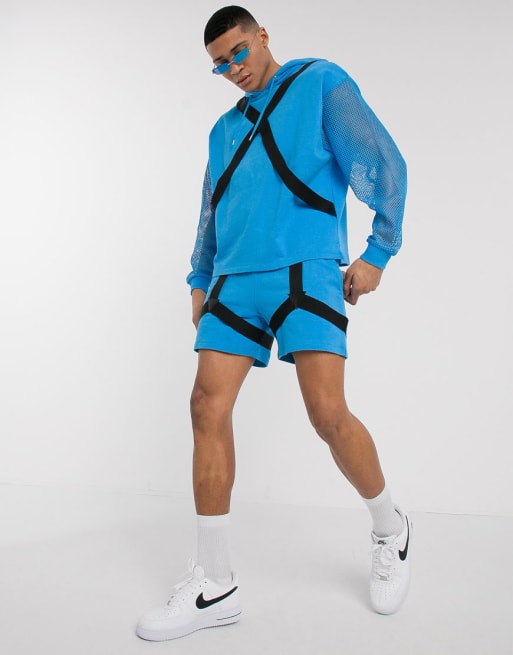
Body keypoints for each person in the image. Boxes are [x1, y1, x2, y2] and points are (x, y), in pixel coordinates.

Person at [136, 5, 410, 642]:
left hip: (306, 269)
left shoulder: (319, 82)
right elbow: (212, 209)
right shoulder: (222, 130)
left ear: (262, 36)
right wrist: (199, 279)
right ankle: (214, 582)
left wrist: (377, 253)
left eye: (238, 51)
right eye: (219, 64)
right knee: (205, 405)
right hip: (235, 280)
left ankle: (390, 528)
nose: (233, 68)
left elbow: (383, 163)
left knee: (327, 413)